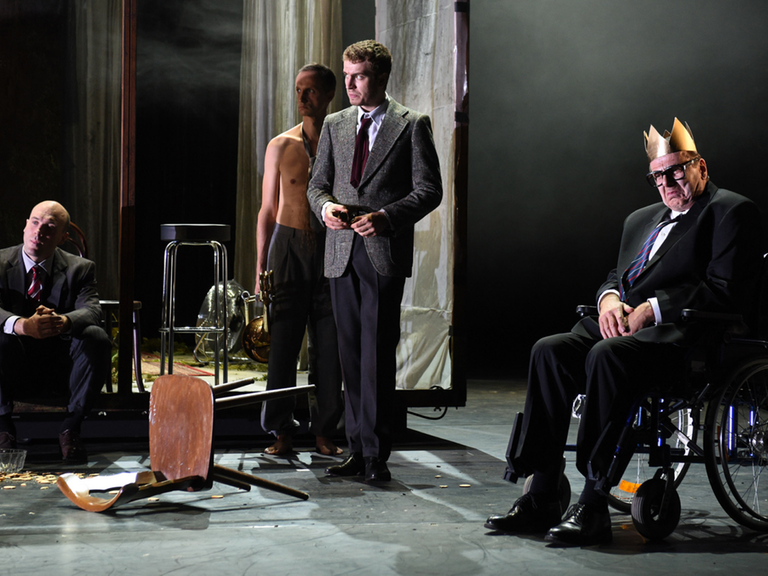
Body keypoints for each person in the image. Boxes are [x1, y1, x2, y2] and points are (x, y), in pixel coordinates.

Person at [485, 119, 763, 544]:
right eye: (657, 176)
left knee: (606, 356)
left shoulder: (730, 211)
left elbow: (724, 289)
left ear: (700, 167)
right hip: (624, 331)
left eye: (675, 171)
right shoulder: (641, 219)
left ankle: (593, 502)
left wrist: (652, 310)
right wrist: (609, 301)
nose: (666, 183)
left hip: (683, 339)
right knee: (549, 351)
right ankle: (541, 492)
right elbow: (618, 276)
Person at [307, 40, 443, 482]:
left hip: (382, 252)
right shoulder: (335, 124)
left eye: (359, 76)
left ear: (381, 77)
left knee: (377, 355)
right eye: (347, 75)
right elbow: (316, 185)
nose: (350, 84)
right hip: (340, 252)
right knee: (349, 355)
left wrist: (387, 218)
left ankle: (376, 455)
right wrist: (326, 208)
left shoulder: (412, 124)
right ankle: (356, 448)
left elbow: (430, 190)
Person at [257, 64, 344, 457]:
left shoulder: (342, 143)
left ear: (329, 95)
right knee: (283, 345)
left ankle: (324, 431)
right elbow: (266, 209)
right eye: (298, 89)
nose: (302, 97)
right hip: (288, 246)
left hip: (330, 246)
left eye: (310, 90)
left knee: (329, 345)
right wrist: (261, 266)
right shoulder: (281, 145)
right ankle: (281, 431)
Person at [0, 200, 111, 462]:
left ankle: (70, 429)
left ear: (62, 238)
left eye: (49, 227)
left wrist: (61, 321)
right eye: (35, 222)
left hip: (61, 366)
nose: (39, 232)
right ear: (25, 226)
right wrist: (21, 325)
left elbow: (92, 310)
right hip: (12, 363)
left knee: (96, 336)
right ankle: (3, 429)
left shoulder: (81, 268)